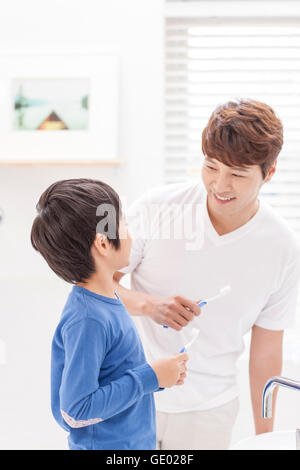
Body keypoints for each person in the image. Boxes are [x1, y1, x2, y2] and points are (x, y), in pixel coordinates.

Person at [113, 100, 300, 450]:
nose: (219, 185)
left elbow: (265, 352)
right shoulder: (156, 209)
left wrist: (266, 438)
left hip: (209, 411)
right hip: (129, 396)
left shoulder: (282, 248)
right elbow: (96, 286)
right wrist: (150, 306)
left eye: (238, 175)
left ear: (269, 172)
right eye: (211, 167)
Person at [30, 178, 188, 450]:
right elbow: (76, 409)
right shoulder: (88, 319)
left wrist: (159, 377)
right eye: (124, 223)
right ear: (103, 244)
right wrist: (150, 376)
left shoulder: (107, 300)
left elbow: (113, 376)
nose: (130, 232)